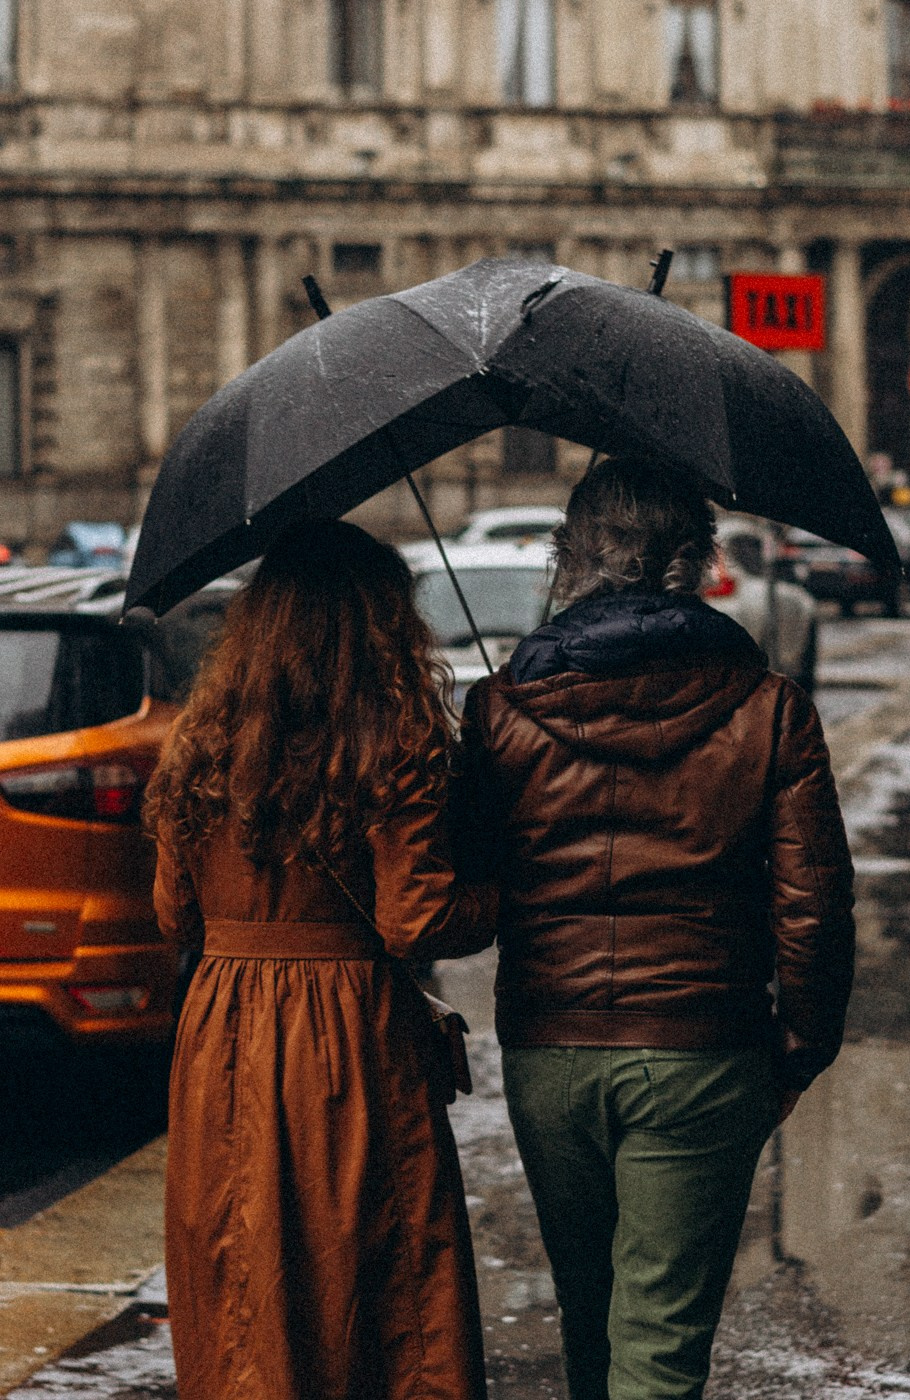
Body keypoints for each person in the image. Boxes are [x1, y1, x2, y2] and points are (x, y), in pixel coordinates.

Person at [456, 457, 855, 1400]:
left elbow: (465, 892)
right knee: (661, 1339)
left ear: (569, 557)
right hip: (701, 1049)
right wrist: (799, 1046)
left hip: (549, 1048)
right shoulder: (769, 711)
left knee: (588, 1317)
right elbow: (812, 905)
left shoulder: (501, 710)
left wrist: (486, 747)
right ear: (698, 563)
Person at [146, 519, 496, 1400]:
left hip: (222, 1030)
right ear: (380, 625)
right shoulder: (395, 739)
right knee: (375, 1283)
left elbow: (172, 914)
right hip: (348, 1035)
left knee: (240, 1273)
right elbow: (415, 922)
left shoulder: (200, 741)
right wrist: (496, 886)